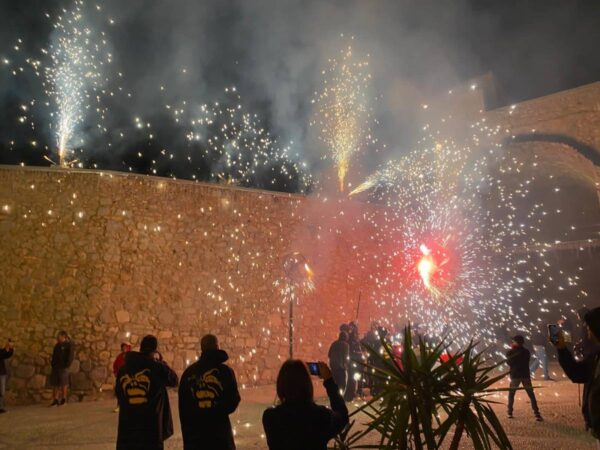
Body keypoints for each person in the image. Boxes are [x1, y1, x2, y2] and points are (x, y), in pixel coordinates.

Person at [262, 360, 349, 450]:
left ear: (281, 384)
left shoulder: (270, 417)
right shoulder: (320, 416)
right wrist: (329, 380)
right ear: (307, 384)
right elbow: (342, 415)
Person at [115, 335, 178, 450]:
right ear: (154, 350)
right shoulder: (156, 367)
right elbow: (174, 380)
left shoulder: (123, 369)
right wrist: (161, 362)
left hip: (128, 426)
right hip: (150, 428)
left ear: (141, 348)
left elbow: (118, 392)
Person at [178, 334, 241, 450]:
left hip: (196, 439)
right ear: (217, 346)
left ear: (202, 348)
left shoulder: (188, 374)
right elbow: (233, 401)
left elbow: (184, 409)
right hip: (220, 438)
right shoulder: (225, 371)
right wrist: (217, 409)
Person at [552, 306, 600, 443]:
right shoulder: (596, 357)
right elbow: (577, 373)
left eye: (590, 329)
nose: (588, 332)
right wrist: (561, 349)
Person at [506, 335, 543, 421]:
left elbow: (509, 363)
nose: (512, 342)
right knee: (531, 394)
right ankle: (537, 413)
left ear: (517, 342)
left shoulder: (511, 352)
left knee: (511, 394)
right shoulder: (526, 352)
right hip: (525, 375)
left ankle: (509, 412)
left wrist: (512, 352)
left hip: (515, 376)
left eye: (514, 341)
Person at [50, 331, 74, 406]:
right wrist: (53, 364)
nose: (57, 337)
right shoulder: (57, 346)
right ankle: (56, 399)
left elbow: (70, 356)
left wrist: (67, 365)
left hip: (63, 367)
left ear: (63, 336)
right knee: (55, 383)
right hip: (56, 367)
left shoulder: (68, 345)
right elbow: (54, 356)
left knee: (64, 383)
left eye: (59, 336)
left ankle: (63, 399)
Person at [344, 322, 364, 401]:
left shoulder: (355, 339)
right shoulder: (350, 339)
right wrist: (358, 353)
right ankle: (349, 394)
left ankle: (353, 392)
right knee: (351, 379)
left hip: (356, 361)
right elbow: (351, 350)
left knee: (355, 378)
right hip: (352, 361)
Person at [328, 331, 349, 395]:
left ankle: (335, 396)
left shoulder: (334, 343)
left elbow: (329, 354)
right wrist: (346, 366)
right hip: (341, 368)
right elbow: (345, 357)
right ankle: (340, 397)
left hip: (333, 367)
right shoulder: (346, 345)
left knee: (335, 383)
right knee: (342, 384)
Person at [112, 342, 132, 412]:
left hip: (129, 377)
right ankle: (119, 406)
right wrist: (115, 372)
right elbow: (115, 365)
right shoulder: (120, 356)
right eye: (123, 347)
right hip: (120, 377)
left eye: (126, 347)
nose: (124, 348)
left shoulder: (131, 356)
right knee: (120, 392)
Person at [0, 339, 14, 414]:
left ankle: (1, 408)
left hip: (1, 373)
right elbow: (2, 354)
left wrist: (10, 348)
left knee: (2, 391)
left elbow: (7, 355)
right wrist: (6, 347)